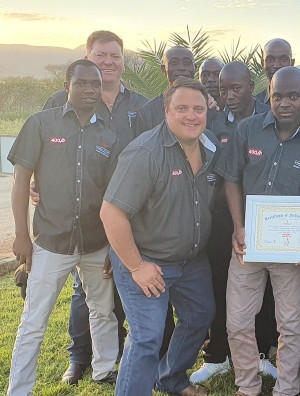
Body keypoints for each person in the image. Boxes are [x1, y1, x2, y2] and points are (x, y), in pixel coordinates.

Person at [215, 66, 300, 396]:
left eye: (292, 96)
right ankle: (247, 386)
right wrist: (239, 226)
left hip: (291, 254)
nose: (284, 102)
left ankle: (287, 388)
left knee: (291, 325)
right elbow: (230, 178)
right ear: (268, 96)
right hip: (247, 246)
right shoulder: (248, 130)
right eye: (277, 95)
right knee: (238, 322)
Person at [41, 30, 148, 385]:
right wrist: (34, 182)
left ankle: (115, 356)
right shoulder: (61, 99)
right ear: (87, 58)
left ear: (123, 60)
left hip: (132, 211)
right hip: (83, 213)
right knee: (84, 288)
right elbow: (45, 150)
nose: (108, 62)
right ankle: (78, 357)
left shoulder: (142, 105)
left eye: (115, 56)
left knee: (120, 281)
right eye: (100, 55)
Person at [7, 59, 120, 395]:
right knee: (33, 321)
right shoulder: (41, 124)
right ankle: (19, 389)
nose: (90, 90)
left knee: (103, 311)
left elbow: (113, 196)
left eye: (96, 84)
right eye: (83, 83)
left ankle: (103, 370)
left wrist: (113, 246)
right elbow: (20, 180)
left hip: (95, 243)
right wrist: (21, 235)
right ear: (67, 84)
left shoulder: (108, 136)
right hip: (49, 242)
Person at [100, 78, 219, 396]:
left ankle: (170, 379)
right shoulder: (144, 153)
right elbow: (111, 214)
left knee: (200, 315)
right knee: (147, 337)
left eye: (198, 108)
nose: (191, 116)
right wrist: (137, 267)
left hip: (190, 261)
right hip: (146, 259)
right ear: (166, 112)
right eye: (182, 108)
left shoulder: (210, 149)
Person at [190, 61, 277, 383]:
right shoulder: (211, 123)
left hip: (262, 218)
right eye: (223, 89)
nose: (228, 95)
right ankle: (216, 356)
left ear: (252, 84)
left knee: (263, 290)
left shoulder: (270, 120)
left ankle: (261, 355)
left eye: (235, 88)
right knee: (217, 286)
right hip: (219, 221)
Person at [136, 46, 196, 135]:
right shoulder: (147, 113)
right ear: (164, 69)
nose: (181, 68)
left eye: (187, 63)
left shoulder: (207, 108)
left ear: (195, 68)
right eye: (174, 63)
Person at [255, 38, 300, 109]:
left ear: (292, 63)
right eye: (270, 60)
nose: (276, 65)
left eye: (284, 60)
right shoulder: (257, 104)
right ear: (263, 64)